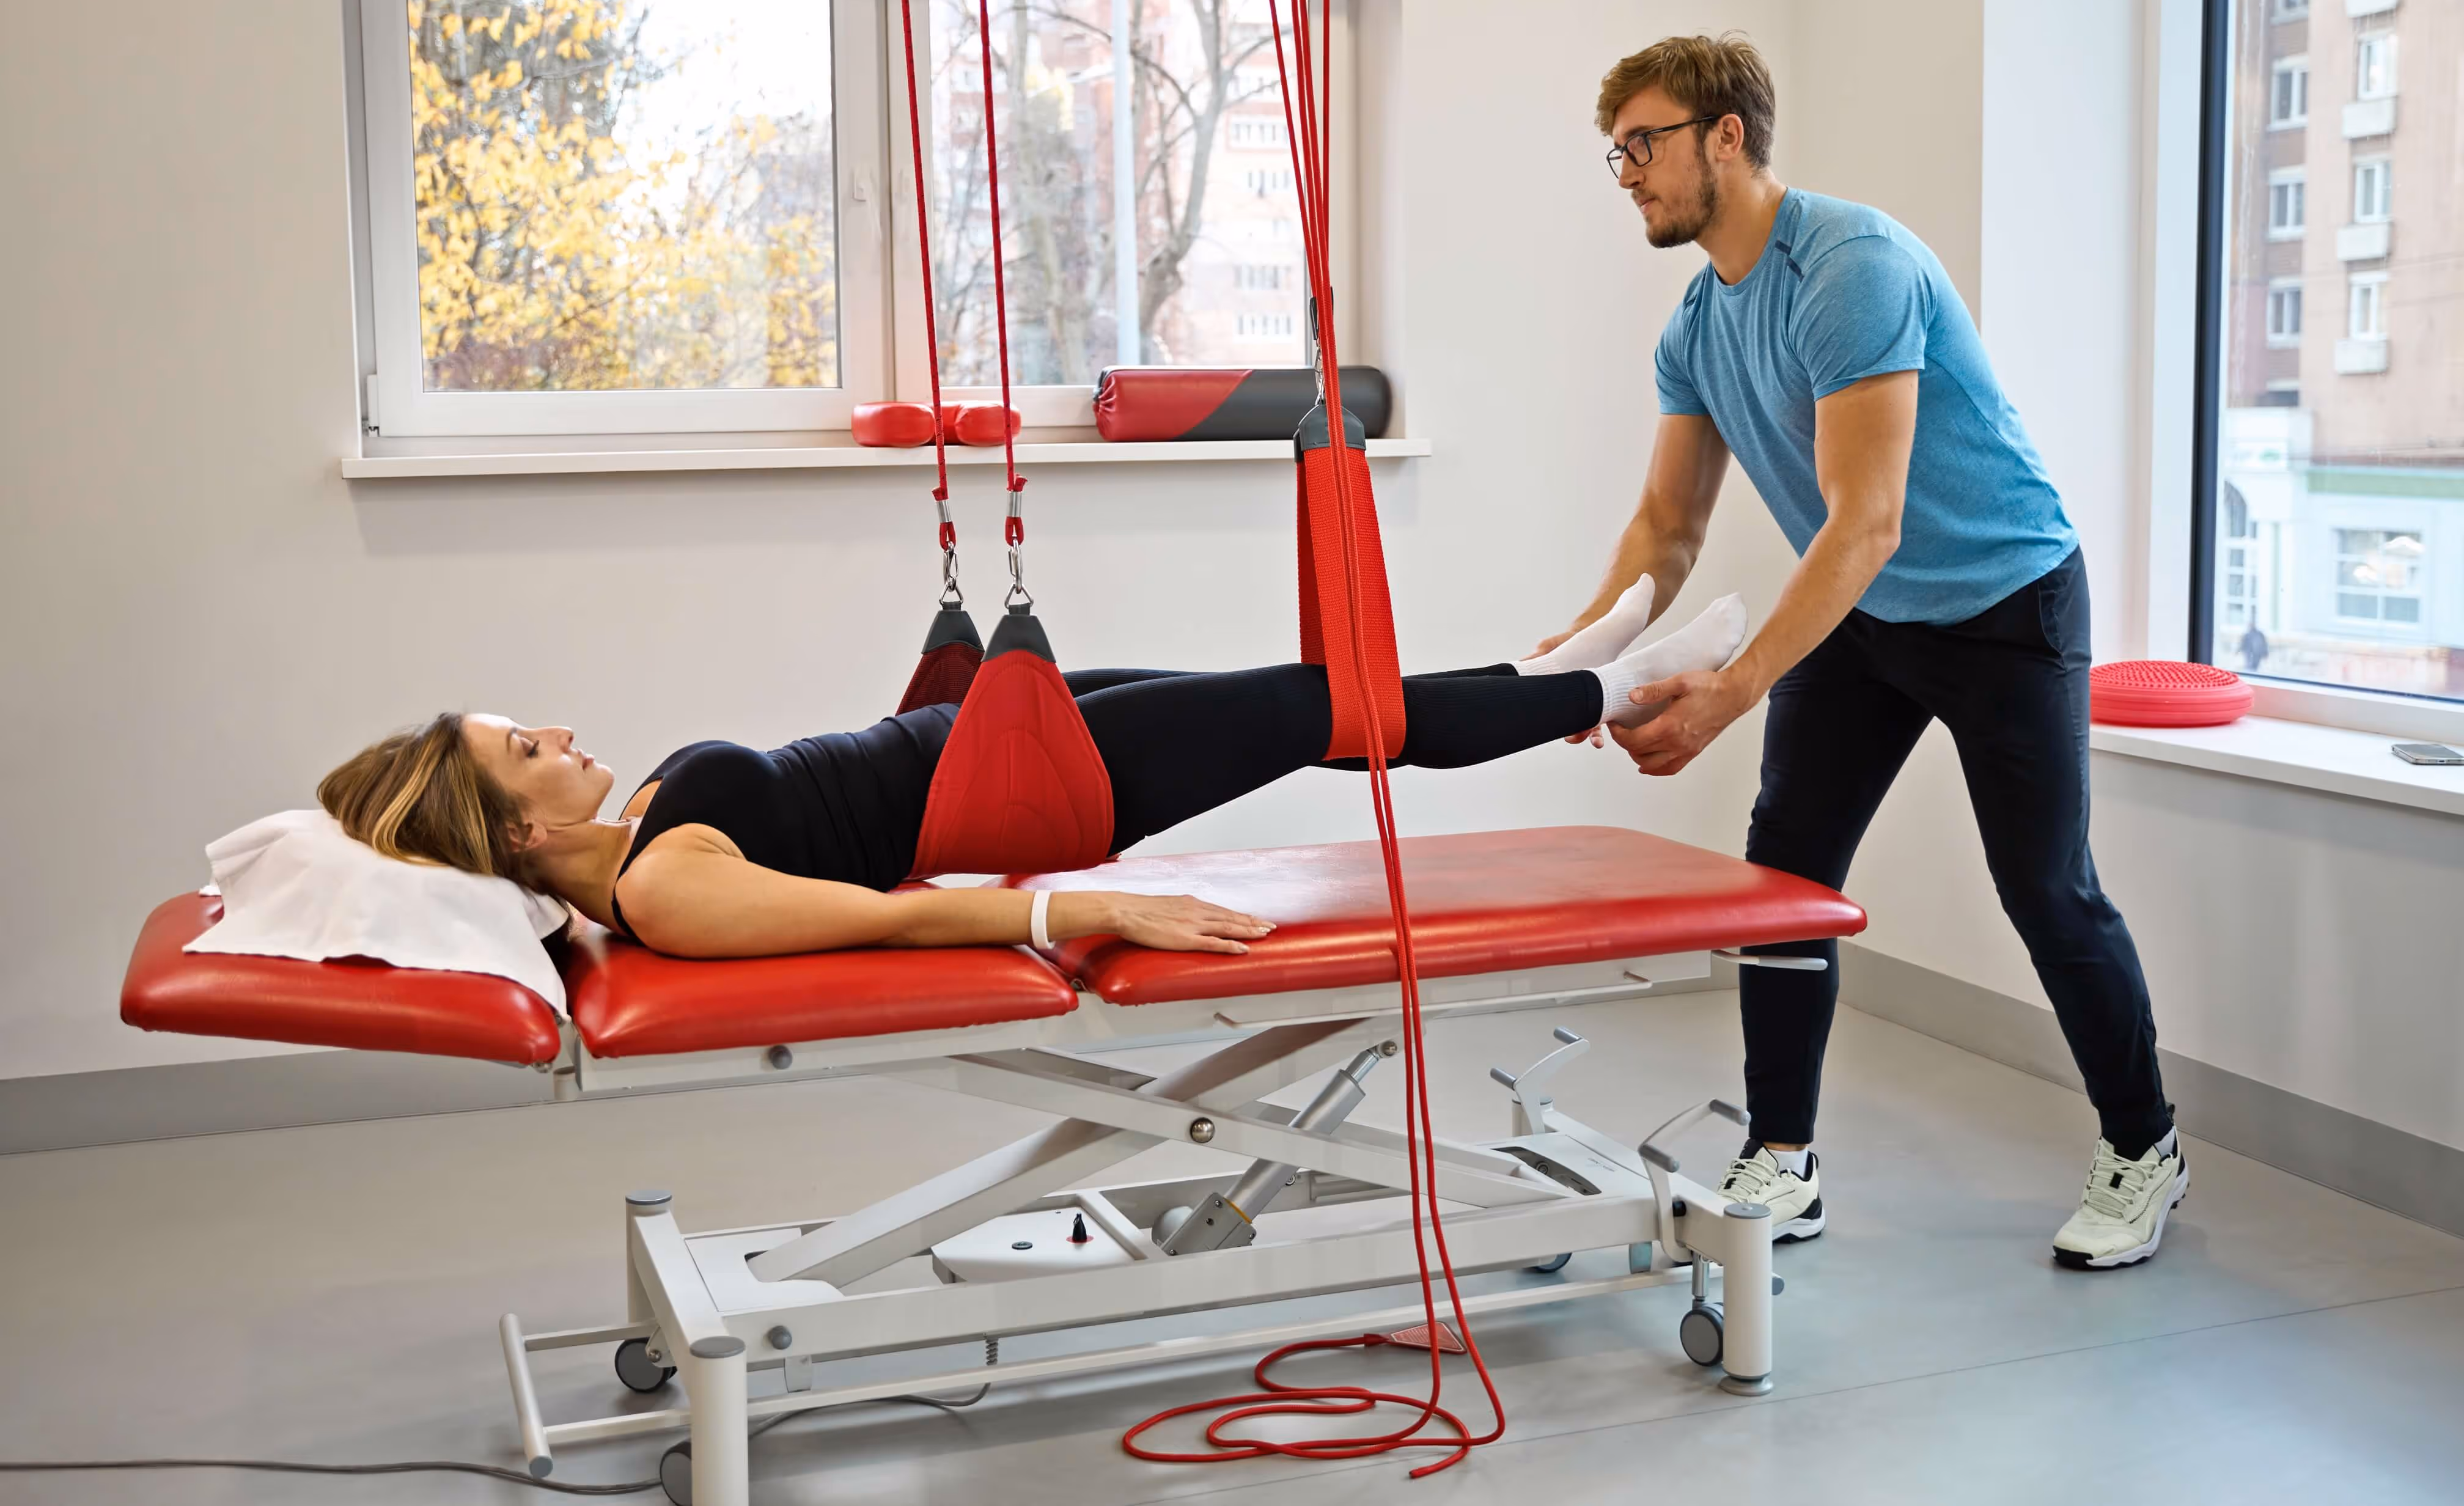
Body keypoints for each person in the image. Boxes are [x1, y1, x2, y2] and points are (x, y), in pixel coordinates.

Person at [1540, 33, 2183, 1271]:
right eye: (1614, 152)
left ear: (1727, 135)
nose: (1627, 173)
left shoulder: (1851, 268)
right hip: (1869, 613)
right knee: (1784, 873)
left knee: (2046, 889)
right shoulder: (1698, 323)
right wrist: (1587, 657)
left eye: (1645, 143)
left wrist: (1732, 690)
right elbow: (1668, 525)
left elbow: (1866, 519)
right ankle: (1781, 1155)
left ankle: (2143, 1145)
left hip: (2005, 604)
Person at [315, 589, 1744, 960]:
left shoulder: (639, 831)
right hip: (1037, 789)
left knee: (1301, 690)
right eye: (525, 750)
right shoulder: (664, 890)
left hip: (999, 731)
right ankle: (1615, 690)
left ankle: (1541, 672)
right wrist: (1088, 909)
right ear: (513, 831)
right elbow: (885, 920)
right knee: (1314, 707)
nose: (556, 731)